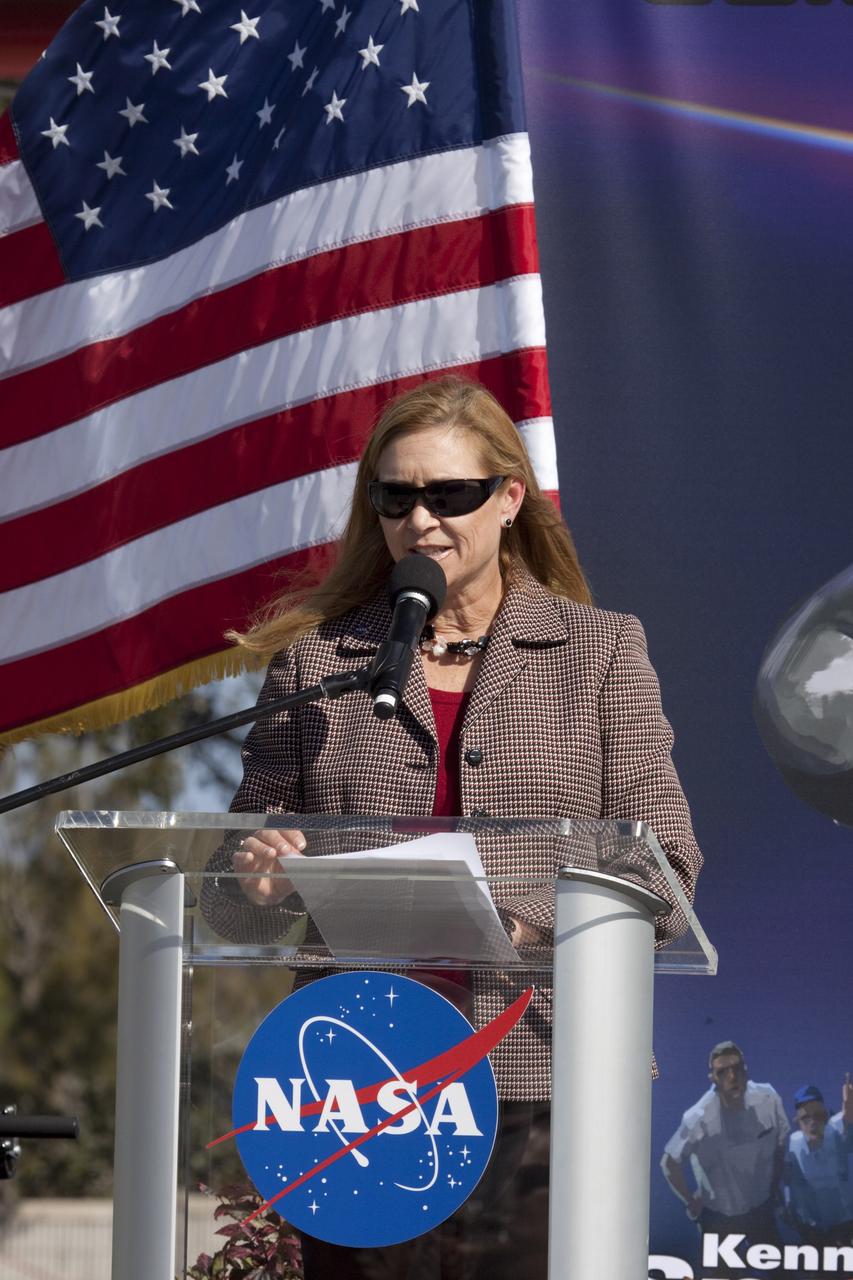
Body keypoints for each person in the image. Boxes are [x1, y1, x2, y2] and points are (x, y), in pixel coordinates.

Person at [203, 375, 703, 1275]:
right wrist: (254, 873)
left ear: (510, 498)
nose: (420, 522)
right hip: (354, 1089)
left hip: (543, 1082)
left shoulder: (600, 654)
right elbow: (229, 907)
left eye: (450, 495)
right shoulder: (320, 664)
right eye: (396, 498)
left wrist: (521, 919)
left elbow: (663, 862)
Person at [661, 1041, 789, 1258]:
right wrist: (690, 1201)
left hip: (760, 1209)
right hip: (718, 1217)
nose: (732, 1077)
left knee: (781, 1272)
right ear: (713, 1078)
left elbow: (781, 1143)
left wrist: (774, 1187)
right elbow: (669, 1163)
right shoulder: (698, 1117)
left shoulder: (768, 1099)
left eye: (737, 1068)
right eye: (723, 1072)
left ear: (745, 1070)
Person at [784, 1078, 853, 1247]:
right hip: (813, 1228)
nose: (813, 1123)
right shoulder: (793, 1146)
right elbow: (790, 1187)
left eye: (819, 1116)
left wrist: (849, 1105)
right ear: (797, 1122)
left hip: (845, 1222)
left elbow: (847, 1116)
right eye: (806, 1118)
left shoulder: (836, 1130)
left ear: (826, 1116)